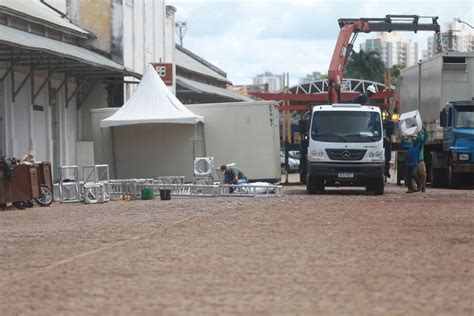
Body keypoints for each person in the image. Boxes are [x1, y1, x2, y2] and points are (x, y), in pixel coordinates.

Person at [401, 128, 427, 193]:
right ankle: (411, 189)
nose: (413, 141)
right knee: (408, 177)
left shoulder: (419, 147)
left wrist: (423, 129)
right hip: (408, 164)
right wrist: (403, 138)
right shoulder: (410, 146)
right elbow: (402, 144)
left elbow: (424, 139)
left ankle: (419, 184)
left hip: (414, 164)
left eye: (414, 140)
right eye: (413, 140)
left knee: (414, 174)